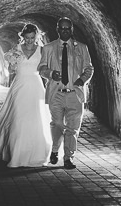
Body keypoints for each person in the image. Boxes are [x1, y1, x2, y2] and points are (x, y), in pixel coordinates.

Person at [0, 24, 53, 167]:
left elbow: (45, 68)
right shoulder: (16, 50)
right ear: (23, 37)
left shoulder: (42, 50)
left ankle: (36, 154)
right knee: (18, 118)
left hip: (35, 87)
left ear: (37, 37)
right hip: (19, 86)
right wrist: (12, 64)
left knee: (35, 118)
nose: (29, 41)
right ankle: (16, 154)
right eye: (27, 38)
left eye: (32, 38)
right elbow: (11, 69)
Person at [38, 17, 94, 169]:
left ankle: (68, 158)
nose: (64, 31)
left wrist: (82, 80)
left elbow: (89, 68)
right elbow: (41, 68)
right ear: (57, 29)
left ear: (71, 30)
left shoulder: (81, 47)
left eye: (67, 28)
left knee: (73, 127)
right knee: (56, 124)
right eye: (62, 28)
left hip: (74, 94)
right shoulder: (49, 48)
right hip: (56, 93)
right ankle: (55, 150)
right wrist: (51, 74)